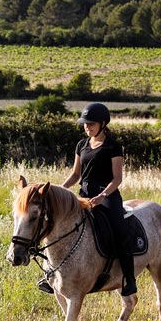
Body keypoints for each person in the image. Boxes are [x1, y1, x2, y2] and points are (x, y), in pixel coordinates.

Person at [62, 102, 136, 296]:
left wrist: (102, 196)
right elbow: (76, 175)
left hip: (107, 195)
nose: (87, 127)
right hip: (84, 194)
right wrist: (61, 189)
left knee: (119, 230)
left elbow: (117, 178)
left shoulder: (113, 145)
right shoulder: (81, 145)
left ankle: (129, 278)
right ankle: (53, 275)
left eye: (91, 123)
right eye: (85, 124)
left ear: (103, 123)